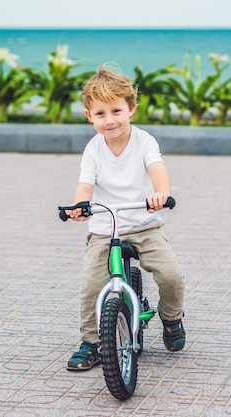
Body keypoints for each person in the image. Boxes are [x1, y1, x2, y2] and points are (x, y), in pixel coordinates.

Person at [64, 65, 186, 371]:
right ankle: (91, 343)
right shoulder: (93, 150)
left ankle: (171, 319)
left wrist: (161, 193)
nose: (110, 120)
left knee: (171, 275)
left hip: (144, 224)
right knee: (92, 285)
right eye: (101, 114)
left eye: (116, 111)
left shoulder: (144, 141)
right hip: (106, 228)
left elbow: (157, 169)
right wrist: (79, 204)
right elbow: (85, 184)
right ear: (88, 116)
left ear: (131, 109)